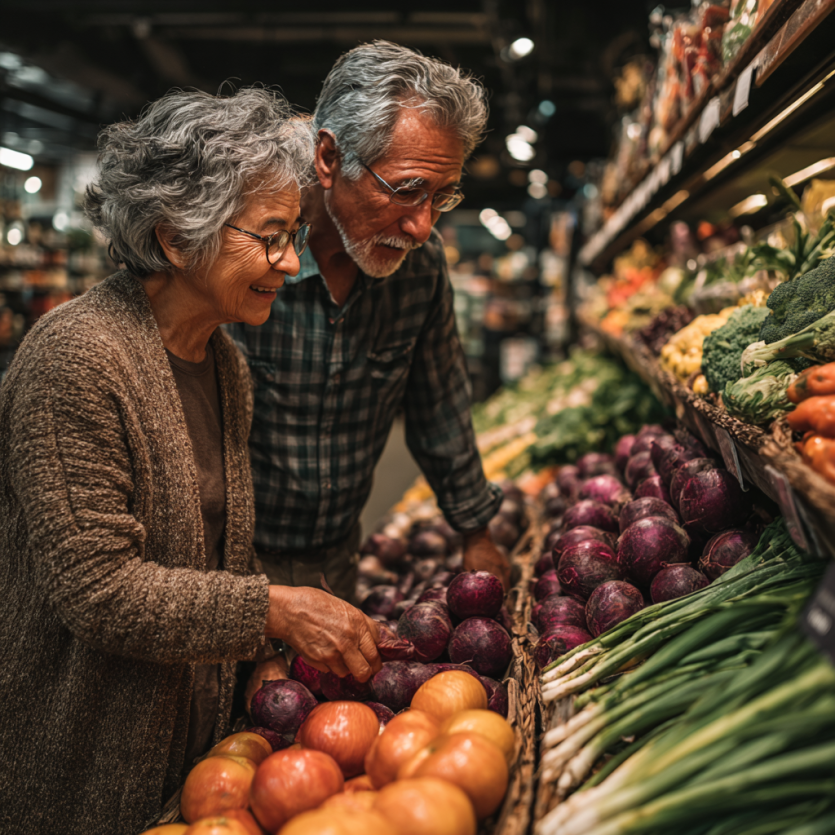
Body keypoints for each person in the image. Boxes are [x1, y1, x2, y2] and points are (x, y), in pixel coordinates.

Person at [0, 87, 380, 835]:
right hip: (75, 763)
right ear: (175, 236)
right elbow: (98, 589)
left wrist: (255, 658)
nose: (290, 261)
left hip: (186, 761)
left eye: (295, 233)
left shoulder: (223, 362)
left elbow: (210, 556)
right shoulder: (76, 360)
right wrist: (273, 608)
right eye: (270, 236)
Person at [229, 41, 510, 599]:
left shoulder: (419, 270)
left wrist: (475, 532)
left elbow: (439, 406)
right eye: (406, 191)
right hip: (228, 565)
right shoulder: (244, 253)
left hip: (338, 560)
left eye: (442, 196)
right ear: (329, 159)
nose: (422, 227)